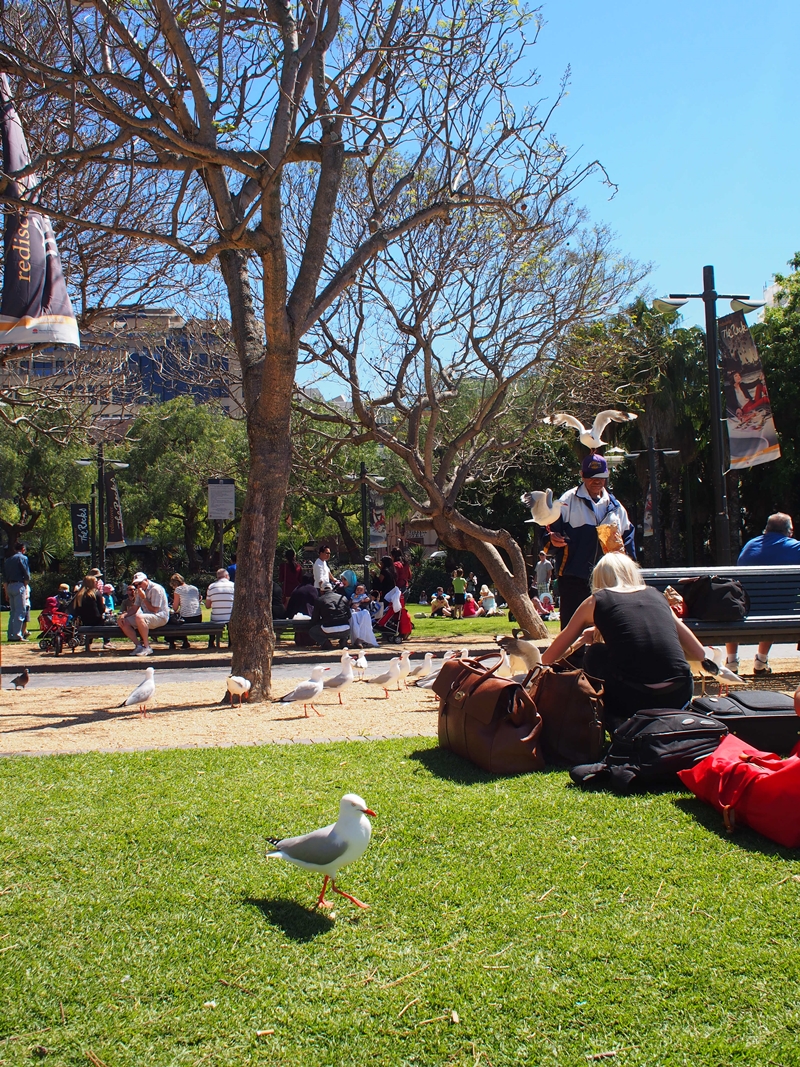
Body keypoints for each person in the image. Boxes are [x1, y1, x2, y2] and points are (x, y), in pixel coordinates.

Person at [542, 553, 704, 731]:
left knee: (596, 653)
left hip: (632, 698)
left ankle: (608, 721)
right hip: (678, 694)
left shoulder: (596, 601)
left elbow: (549, 657)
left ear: (599, 579)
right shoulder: (658, 596)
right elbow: (699, 653)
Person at [543, 452, 635, 629]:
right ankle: (571, 658)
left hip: (609, 579)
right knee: (573, 628)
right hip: (574, 577)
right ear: (582, 476)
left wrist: (629, 568)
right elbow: (547, 531)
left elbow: (628, 538)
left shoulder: (615, 507)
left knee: (608, 627)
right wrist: (551, 539)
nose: (597, 481)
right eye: (592, 477)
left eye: (601, 477)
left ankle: (603, 657)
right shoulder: (567, 501)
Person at [725, 512, 800, 675]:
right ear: (788, 531)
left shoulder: (751, 545)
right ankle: (761, 661)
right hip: (780, 611)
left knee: (735, 605)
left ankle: (731, 661)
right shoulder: (795, 547)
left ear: (766, 529)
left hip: (743, 608)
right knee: (777, 602)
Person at [117, 572, 169, 656]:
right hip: (146, 616)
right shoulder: (139, 591)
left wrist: (143, 598)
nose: (138, 586)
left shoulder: (155, 589)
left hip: (160, 617)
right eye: (136, 584)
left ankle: (147, 647)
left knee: (139, 617)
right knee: (123, 621)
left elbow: (154, 610)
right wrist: (123, 615)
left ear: (146, 580)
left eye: (140, 583)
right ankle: (138, 646)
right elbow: (134, 608)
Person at [309, 580, 351, 650]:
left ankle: (325, 643)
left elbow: (315, 618)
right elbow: (349, 615)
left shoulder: (319, 600)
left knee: (312, 631)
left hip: (328, 629)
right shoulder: (343, 598)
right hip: (345, 629)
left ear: (321, 591)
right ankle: (344, 639)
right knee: (346, 625)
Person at [72, 575, 110, 651]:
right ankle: (107, 642)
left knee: (91, 619)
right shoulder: (96, 593)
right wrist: (104, 605)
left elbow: (76, 611)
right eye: (96, 581)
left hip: (84, 622)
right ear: (91, 583)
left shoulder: (79, 595)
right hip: (97, 621)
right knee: (108, 620)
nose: (97, 583)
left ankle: (88, 644)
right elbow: (101, 609)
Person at [3, 542, 31, 641]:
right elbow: (26, 574)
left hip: (10, 586)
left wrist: (6, 591)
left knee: (13, 612)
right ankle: (17, 635)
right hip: (19, 585)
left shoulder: (8, 560)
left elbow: (4, 577)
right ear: (23, 548)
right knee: (20, 611)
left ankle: (10, 634)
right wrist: (26, 586)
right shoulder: (22, 558)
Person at [169, 573, 202, 651]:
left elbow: (175, 608)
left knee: (172, 621)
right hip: (198, 616)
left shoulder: (178, 590)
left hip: (186, 619)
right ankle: (185, 642)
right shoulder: (194, 588)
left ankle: (172, 642)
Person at [204, 568, 235, 649]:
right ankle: (231, 643)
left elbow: (207, 606)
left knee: (213, 617)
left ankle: (211, 642)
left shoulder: (211, 587)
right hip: (230, 616)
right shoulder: (233, 585)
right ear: (227, 576)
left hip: (216, 617)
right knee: (231, 620)